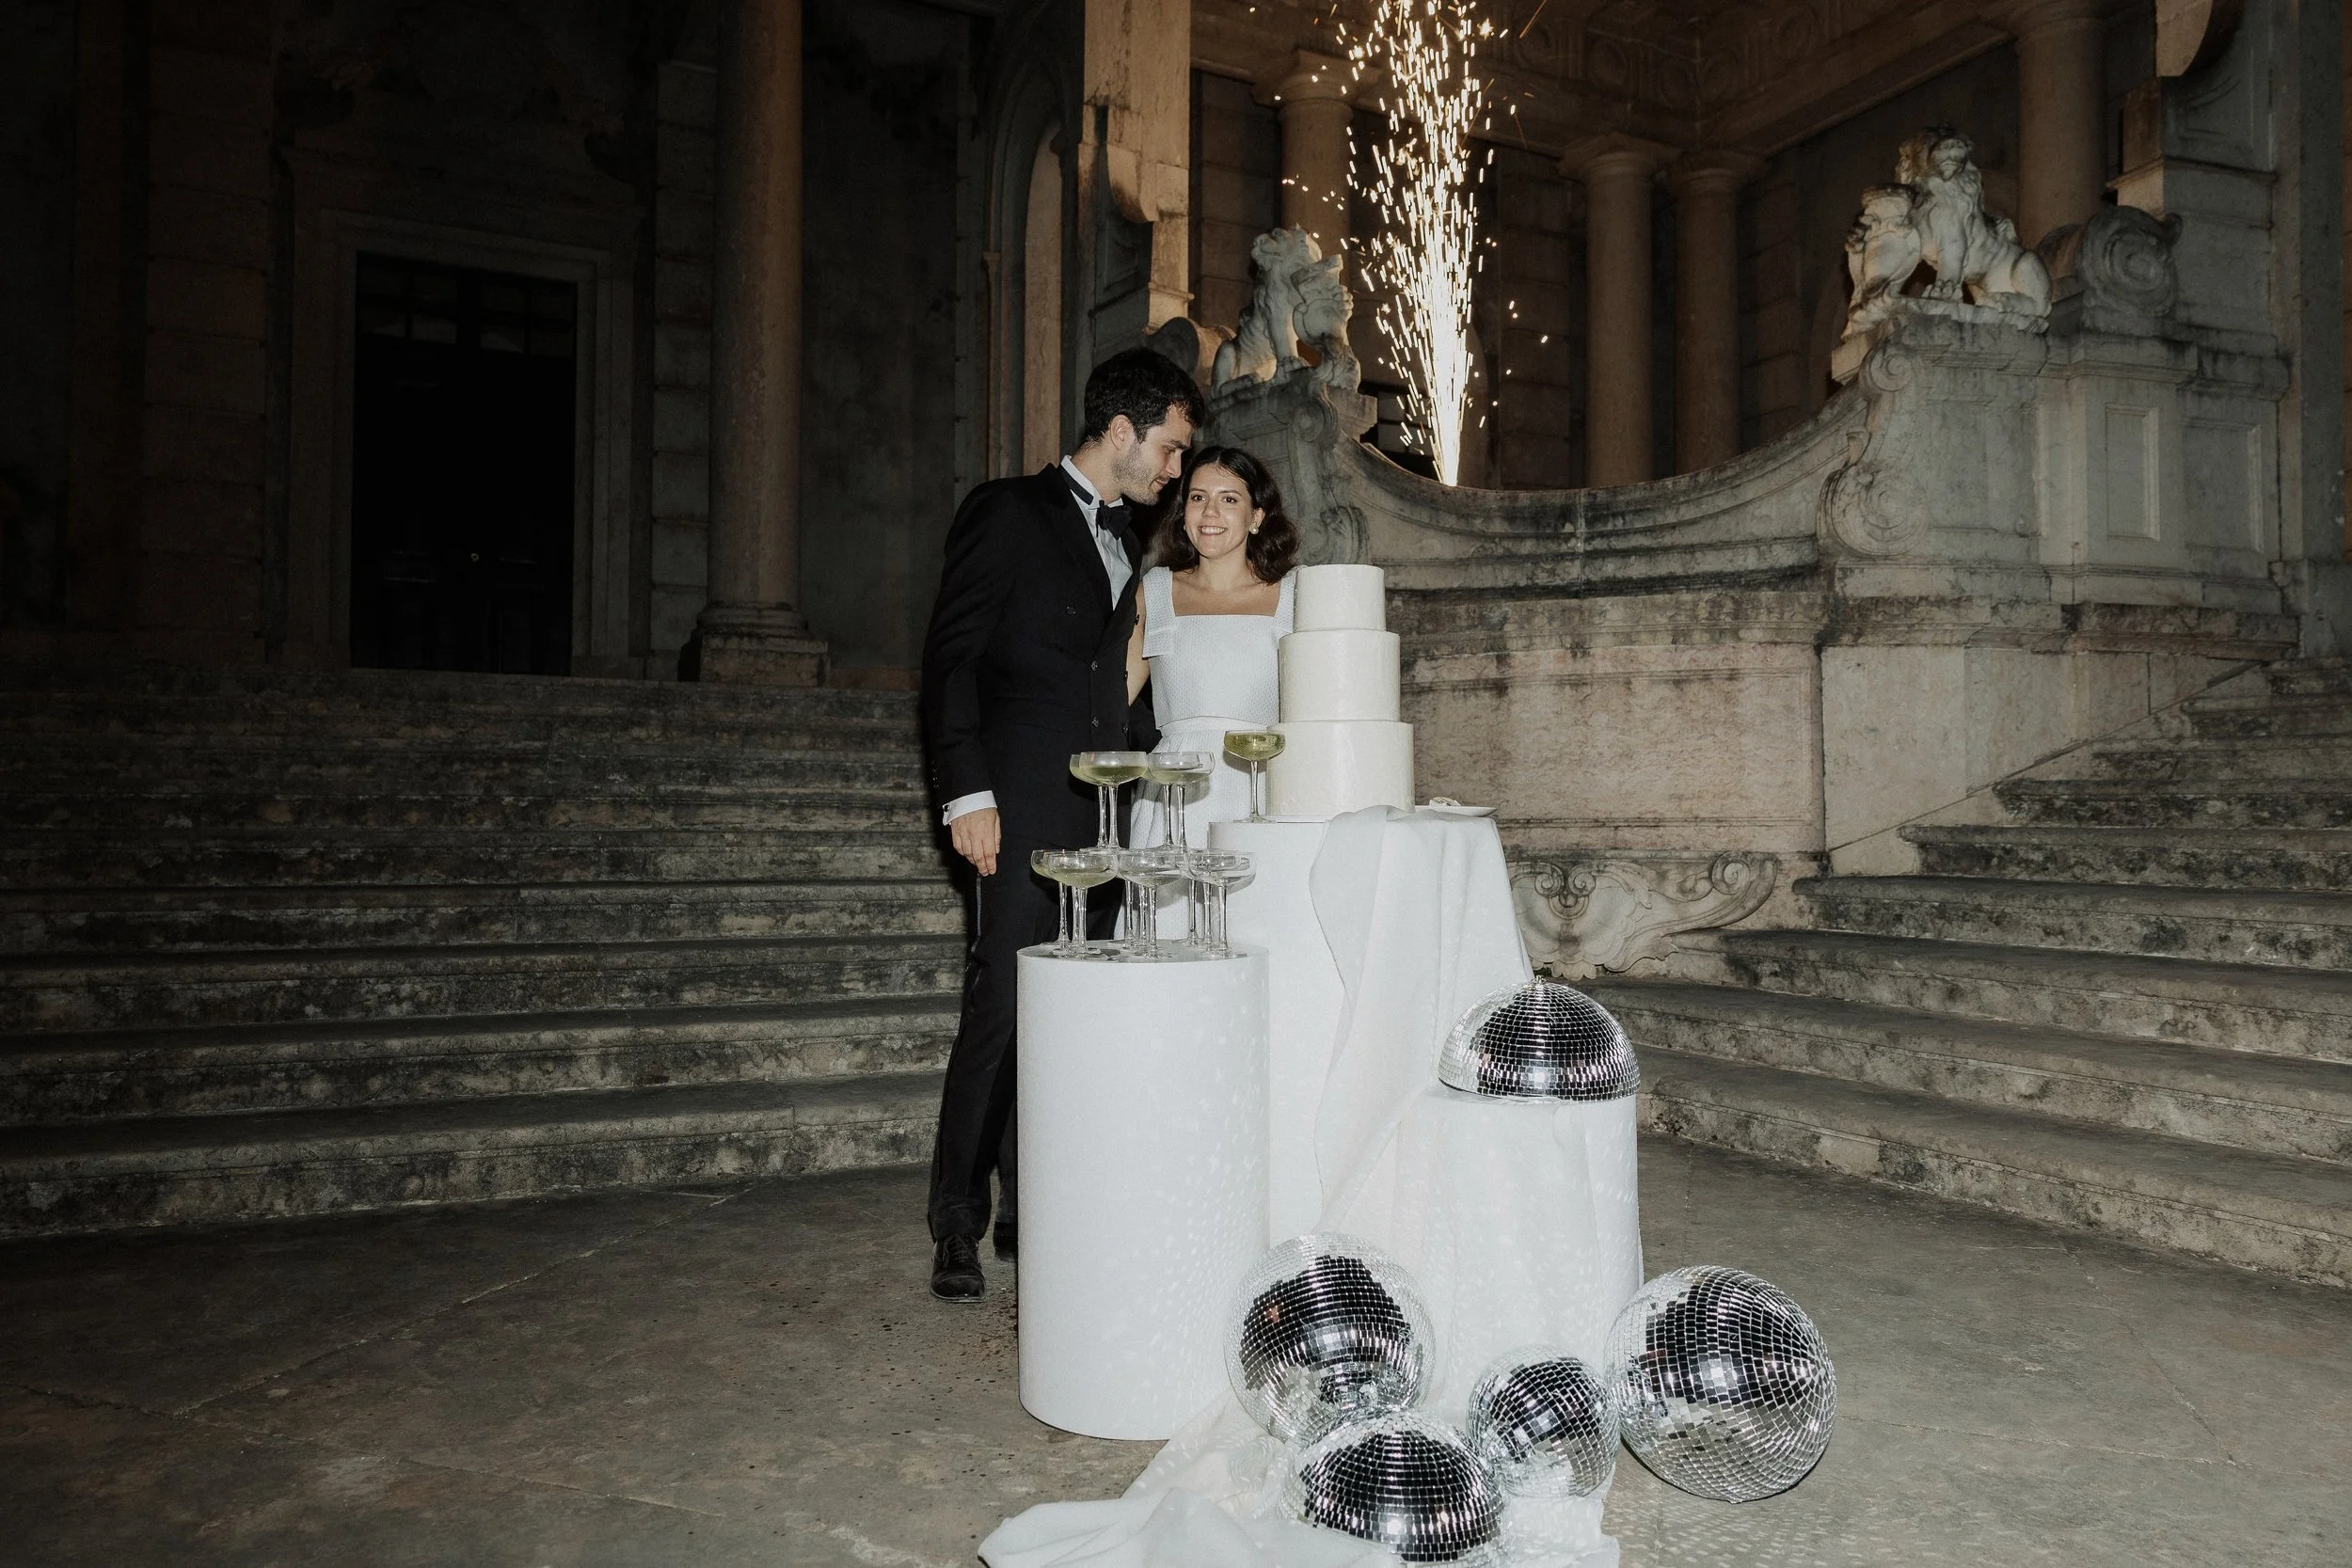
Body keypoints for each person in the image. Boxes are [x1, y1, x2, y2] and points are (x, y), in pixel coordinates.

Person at [917, 347, 1203, 1303]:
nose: (1173, 471)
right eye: (1167, 449)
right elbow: (951, 662)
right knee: (1000, 1005)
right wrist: (967, 794)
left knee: (1067, 1013)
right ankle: (956, 1219)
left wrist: (1159, 758)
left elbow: (1110, 682)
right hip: (1018, 799)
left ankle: (1025, 1208)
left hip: (1105, 813)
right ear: (1119, 431)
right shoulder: (1006, 512)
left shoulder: (1131, 540)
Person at [1125, 447, 1298, 856]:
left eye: (1229, 499)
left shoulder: (1296, 594)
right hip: (1173, 793)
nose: (1210, 513)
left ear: (1256, 517)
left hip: (1265, 786)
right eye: (1198, 497)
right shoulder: (1153, 591)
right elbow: (1109, 700)